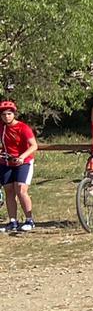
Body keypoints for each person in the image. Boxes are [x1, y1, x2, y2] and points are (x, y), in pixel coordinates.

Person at [1, 99, 38, 233]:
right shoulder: (2, 127)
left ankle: (29, 220)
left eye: (9, 114)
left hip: (24, 161)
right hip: (6, 162)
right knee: (9, 190)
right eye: (4, 114)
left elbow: (34, 145)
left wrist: (22, 156)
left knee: (21, 189)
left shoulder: (23, 127)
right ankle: (13, 221)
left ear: (14, 114)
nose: (7, 117)